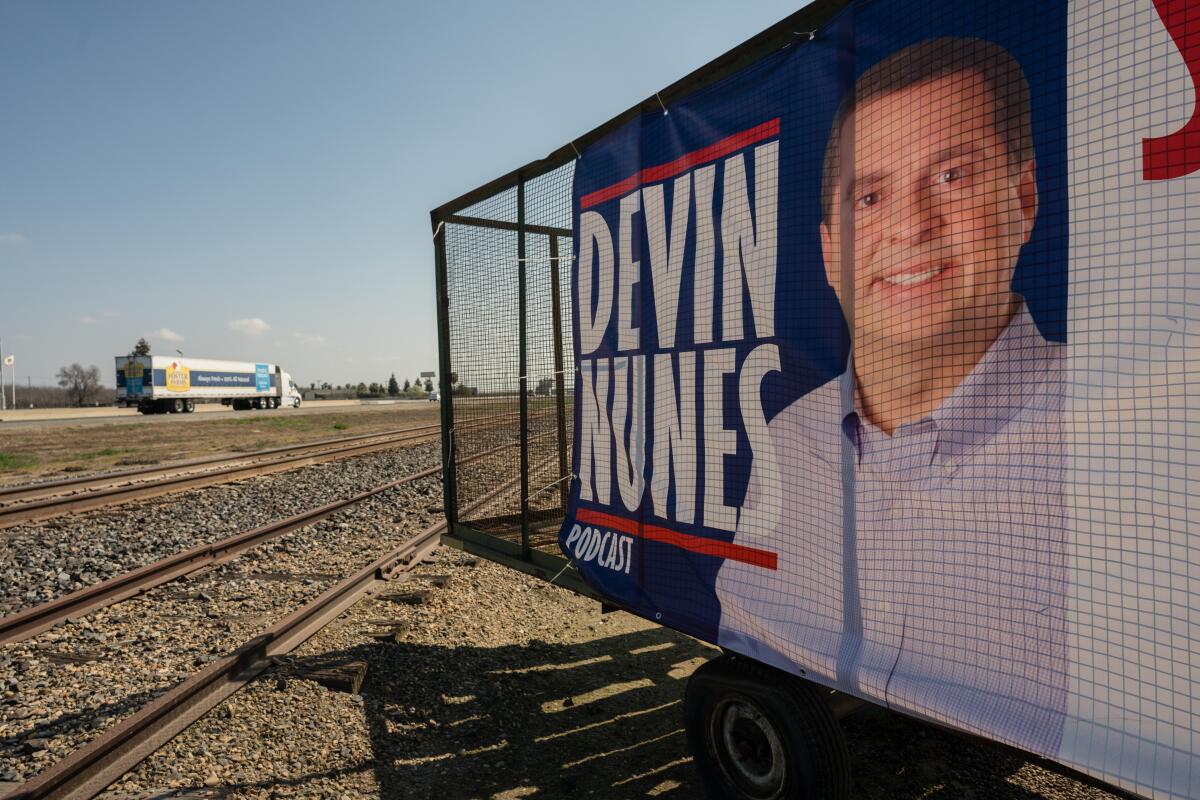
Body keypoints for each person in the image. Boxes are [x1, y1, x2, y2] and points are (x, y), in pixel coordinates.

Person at [716, 37, 1067, 756]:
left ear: (1025, 198)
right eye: (869, 197)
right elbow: (743, 625)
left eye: (951, 176)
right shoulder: (789, 437)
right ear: (828, 252)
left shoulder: (1130, 430)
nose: (909, 226)